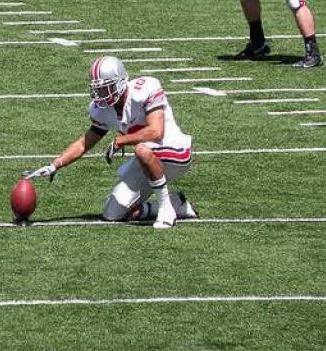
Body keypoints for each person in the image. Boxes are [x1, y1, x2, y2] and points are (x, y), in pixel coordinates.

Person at [24, 56, 197, 229]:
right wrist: (55, 165)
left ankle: (166, 210)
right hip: (146, 159)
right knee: (113, 213)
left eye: (106, 88)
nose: (102, 95)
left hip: (175, 152)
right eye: (99, 90)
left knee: (142, 150)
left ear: (121, 82)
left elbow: (156, 132)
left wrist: (121, 140)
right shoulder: (101, 110)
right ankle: (177, 204)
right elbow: (85, 142)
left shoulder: (145, 88)